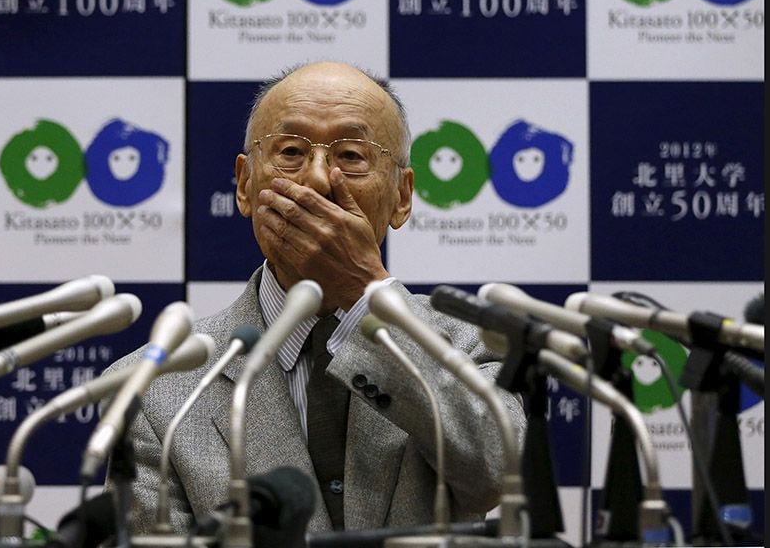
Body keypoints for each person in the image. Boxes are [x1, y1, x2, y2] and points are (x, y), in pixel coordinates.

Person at [102, 60, 527, 537]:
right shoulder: (156, 387)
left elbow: (499, 475)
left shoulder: (469, 341)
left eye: (351, 155)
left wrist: (362, 290)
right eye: (289, 152)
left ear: (401, 197)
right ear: (245, 186)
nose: (319, 180)